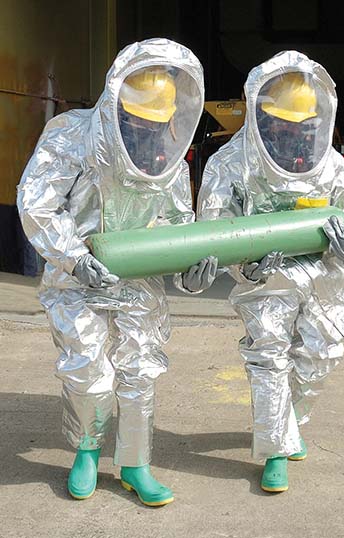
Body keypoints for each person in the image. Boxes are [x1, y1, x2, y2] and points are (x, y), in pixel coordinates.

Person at [17, 38, 216, 506]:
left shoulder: (166, 153)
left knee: (140, 372)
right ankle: (86, 452)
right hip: (76, 278)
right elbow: (39, 203)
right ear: (115, 104)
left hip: (140, 282)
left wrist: (193, 269)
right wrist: (73, 257)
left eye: (155, 124)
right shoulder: (71, 134)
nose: (145, 132)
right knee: (89, 373)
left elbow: (176, 224)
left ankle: (134, 463)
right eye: (136, 121)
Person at [197, 50, 344, 492]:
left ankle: (288, 421)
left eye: (300, 125)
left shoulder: (330, 163)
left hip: (323, 279)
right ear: (261, 116)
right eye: (279, 122)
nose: (290, 132)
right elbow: (213, 232)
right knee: (269, 357)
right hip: (264, 281)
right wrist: (246, 268)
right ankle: (275, 449)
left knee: (322, 354)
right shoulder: (229, 163)